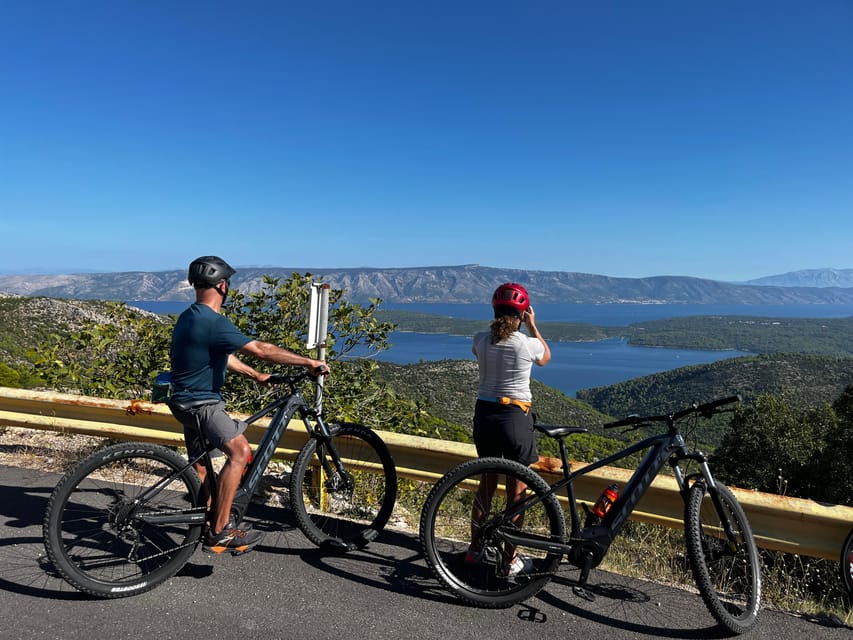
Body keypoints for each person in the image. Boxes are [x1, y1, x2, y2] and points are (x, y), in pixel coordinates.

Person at [168, 255, 327, 554]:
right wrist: (308, 362)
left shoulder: (189, 316)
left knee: (204, 469)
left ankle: (204, 522)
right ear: (223, 286)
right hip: (202, 404)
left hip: (181, 401)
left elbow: (222, 355)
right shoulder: (213, 321)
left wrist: (255, 375)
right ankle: (220, 531)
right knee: (240, 452)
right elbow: (262, 350)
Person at [467, 282, 551, 577]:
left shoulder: (480, 339)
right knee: (517, 492)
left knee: (486, 486)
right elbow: (545, 357)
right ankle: (509, 560)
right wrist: (533, 326)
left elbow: (484, 351)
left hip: (484, 415)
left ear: (494, 309)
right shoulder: (526, 343)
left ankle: (475, 549)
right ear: (522, 312)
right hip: (514, 418)